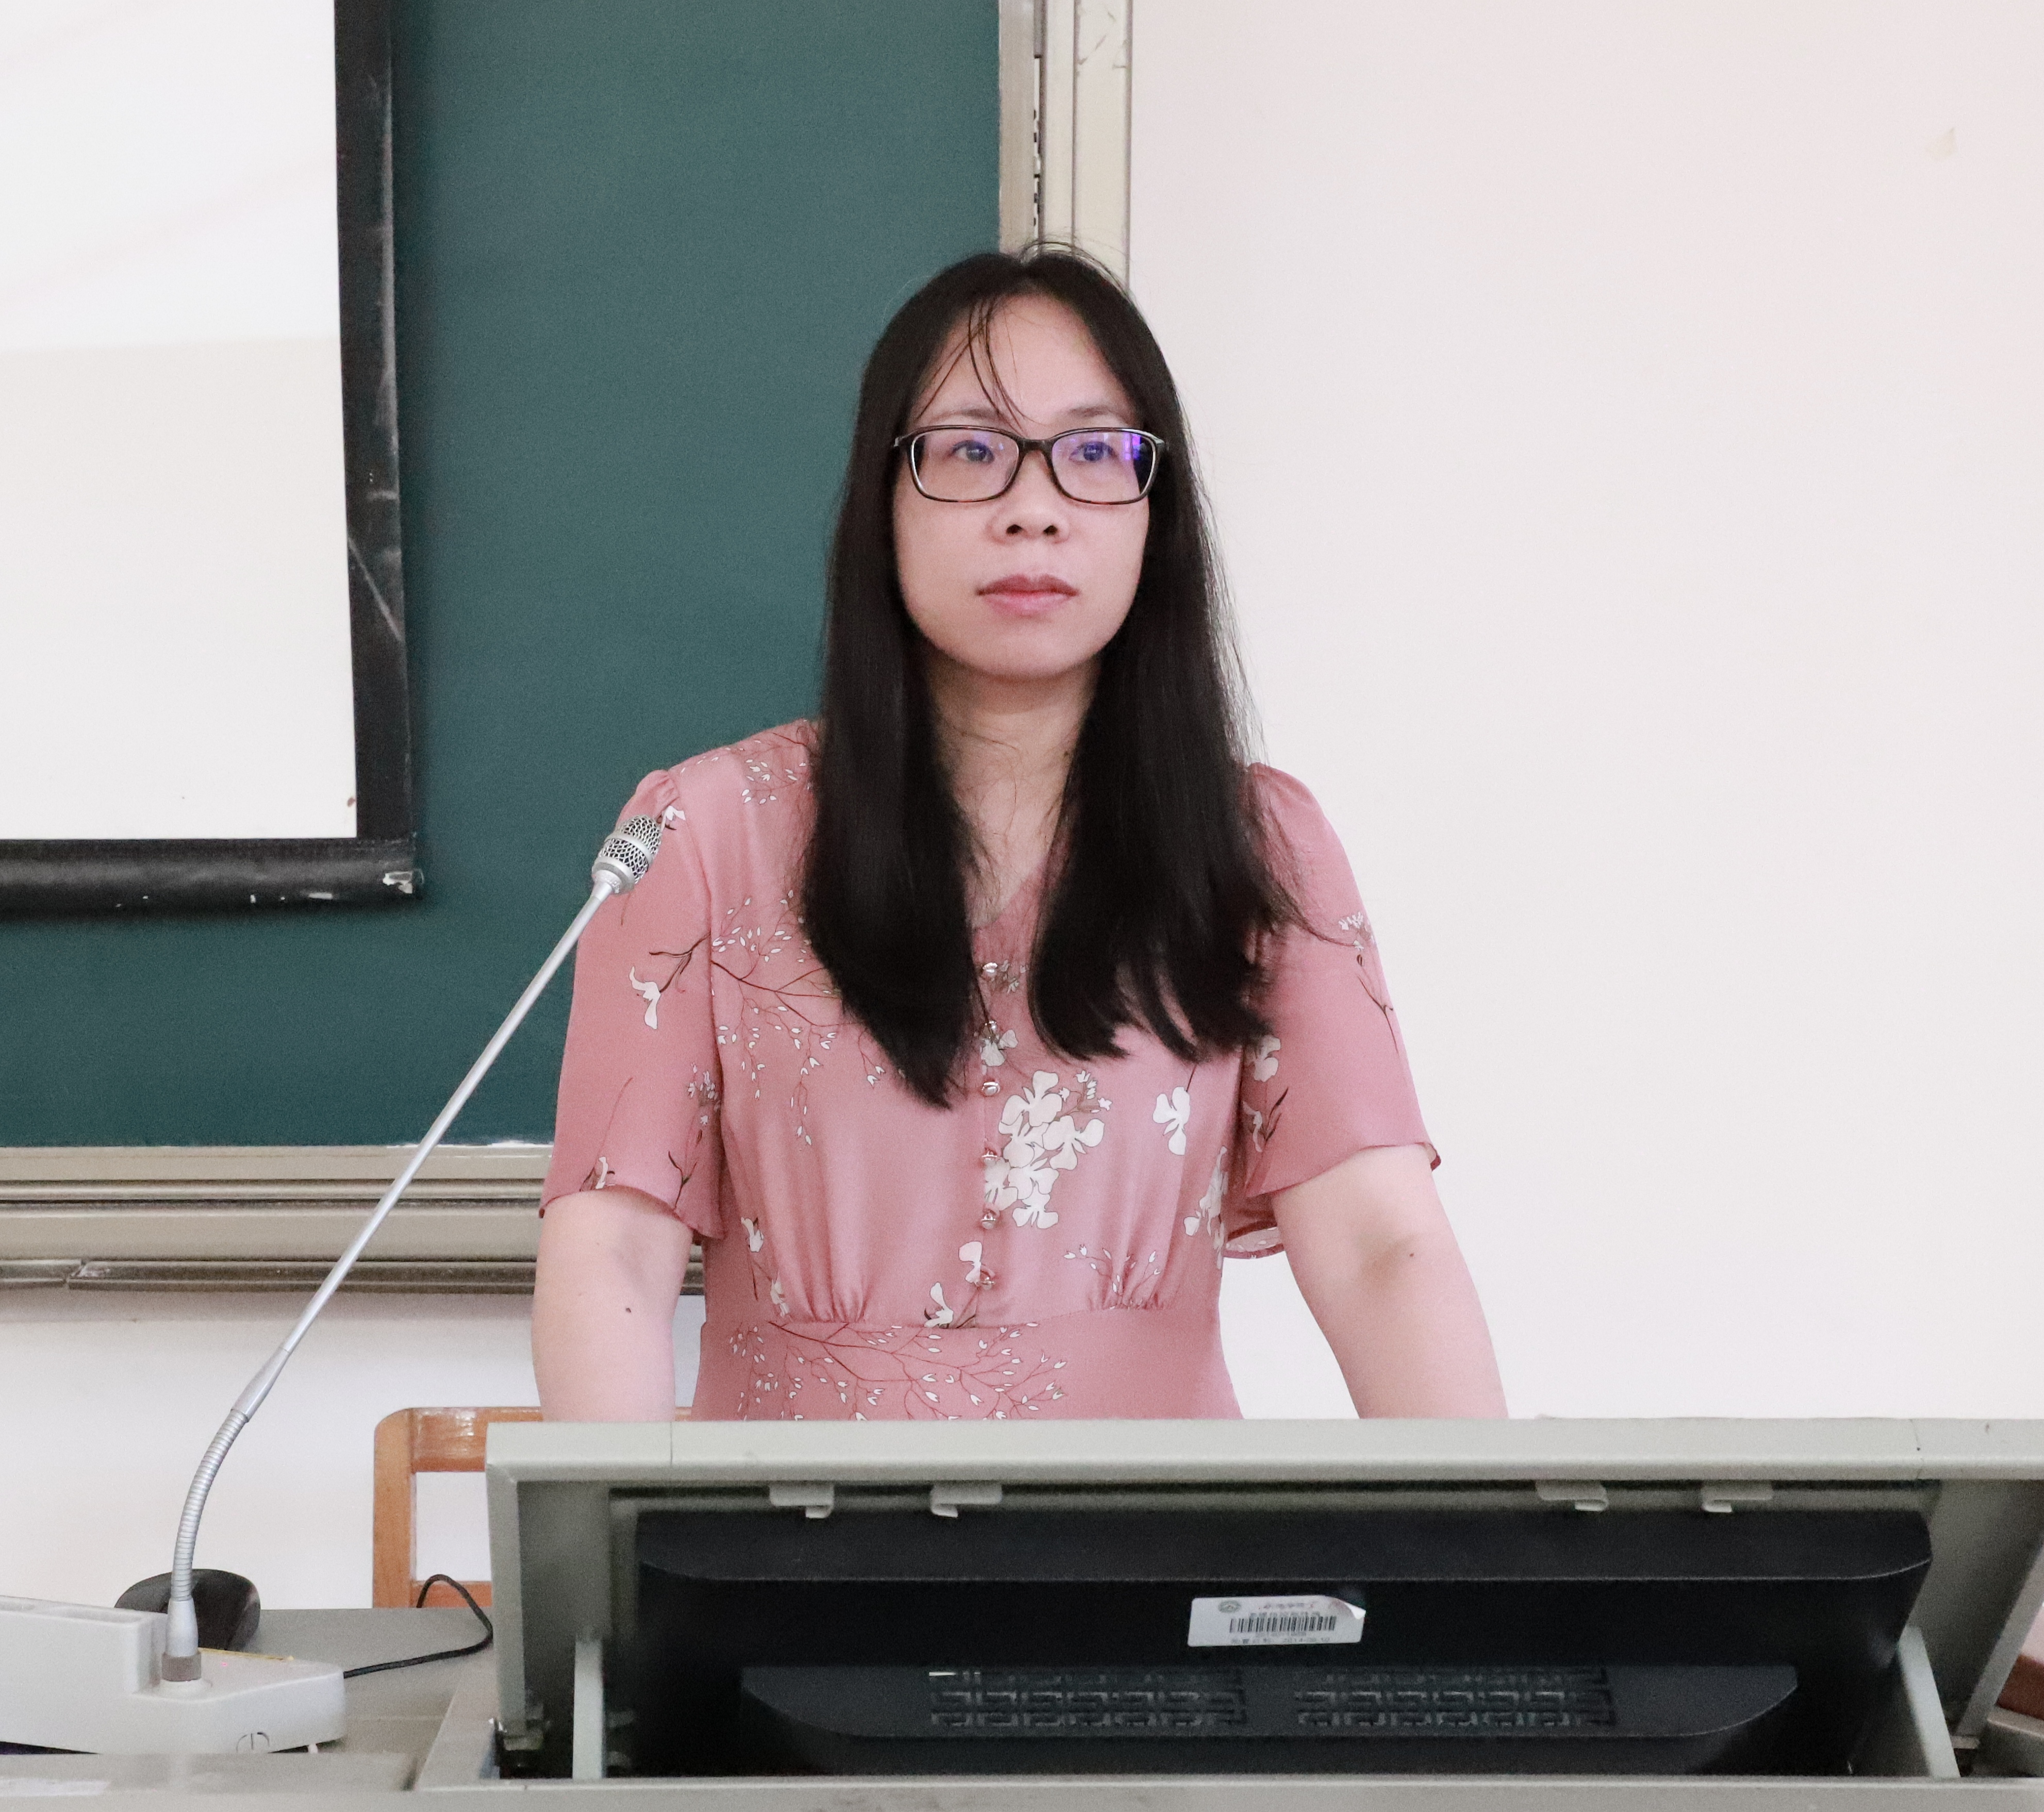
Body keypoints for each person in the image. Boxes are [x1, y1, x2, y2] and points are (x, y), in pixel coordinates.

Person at [531, 248, 1505, 1422]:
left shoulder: (1255, 845)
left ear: (1155, 514)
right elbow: (612, 1248)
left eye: (1094, 454)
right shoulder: (703, 832)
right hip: (787, 1525)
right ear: (882, 502)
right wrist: (622, 1535)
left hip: (1140, 1524)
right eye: (970, 452)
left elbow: (1380, 1248)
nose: (1033, 509)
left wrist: (1482, 1532)